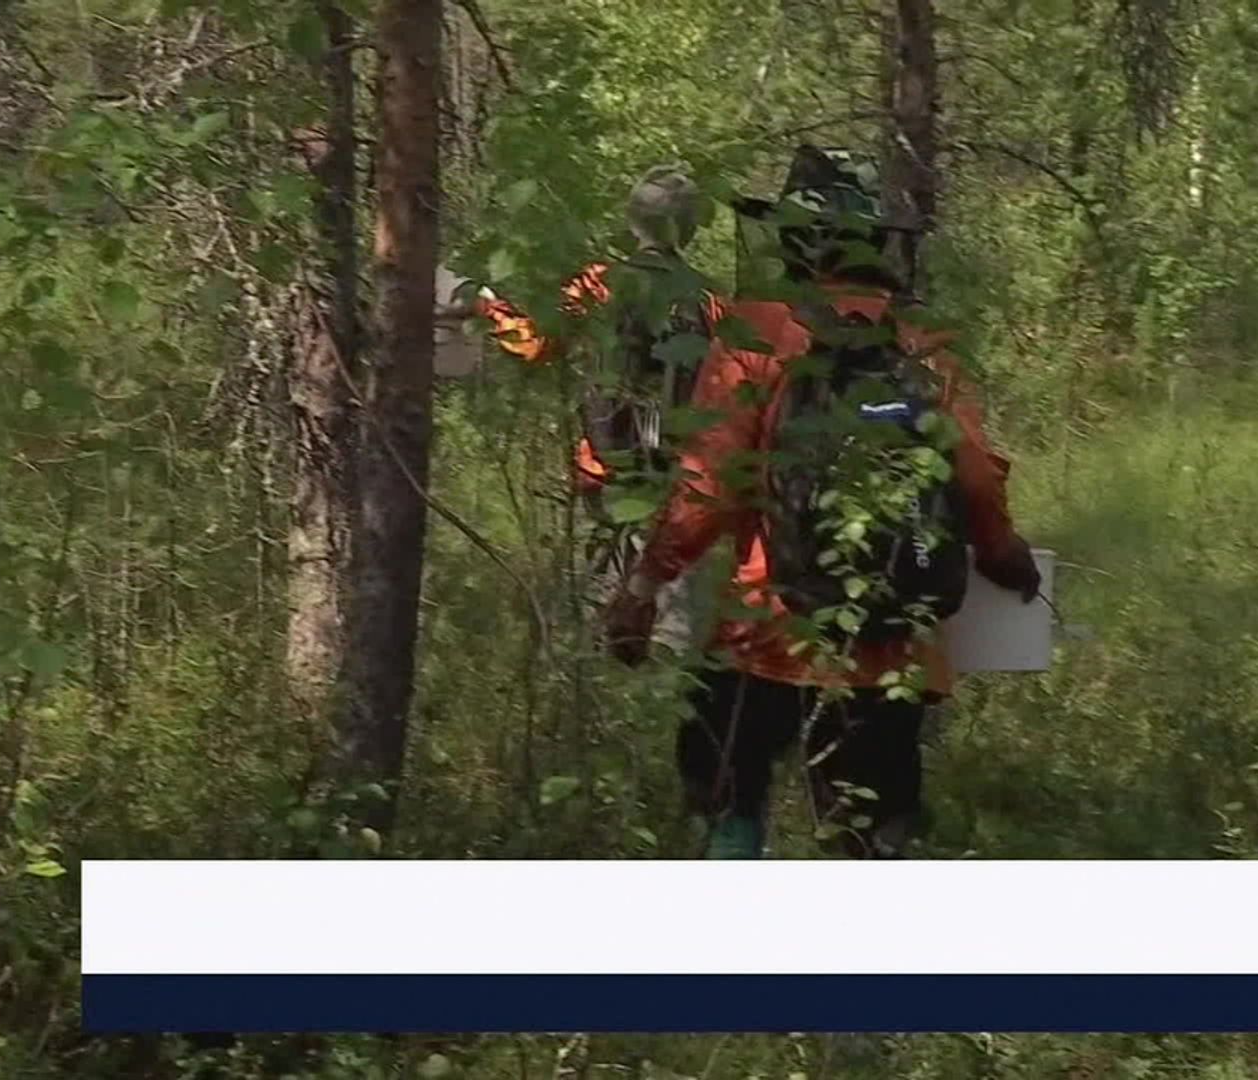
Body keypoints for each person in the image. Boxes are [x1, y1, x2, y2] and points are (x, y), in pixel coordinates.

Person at [602, 145, 1042, 859]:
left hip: (766, 636)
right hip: (895, 646)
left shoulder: (756, 334)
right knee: (869, 837)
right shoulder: (924, 344)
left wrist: (643, 585)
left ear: (791, 237)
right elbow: (975, 478)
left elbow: (709, 487)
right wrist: (1002, 552)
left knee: (729, 806)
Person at [443, 164, 725, 648]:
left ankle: (592, 668)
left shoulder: (601, 283)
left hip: (603, 467)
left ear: (633, 221)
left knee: (594, 620)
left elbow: (537, 343)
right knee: (672, 630)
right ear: (689, 227)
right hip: (679, 479)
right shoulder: (710, 298)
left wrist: (488, 306)